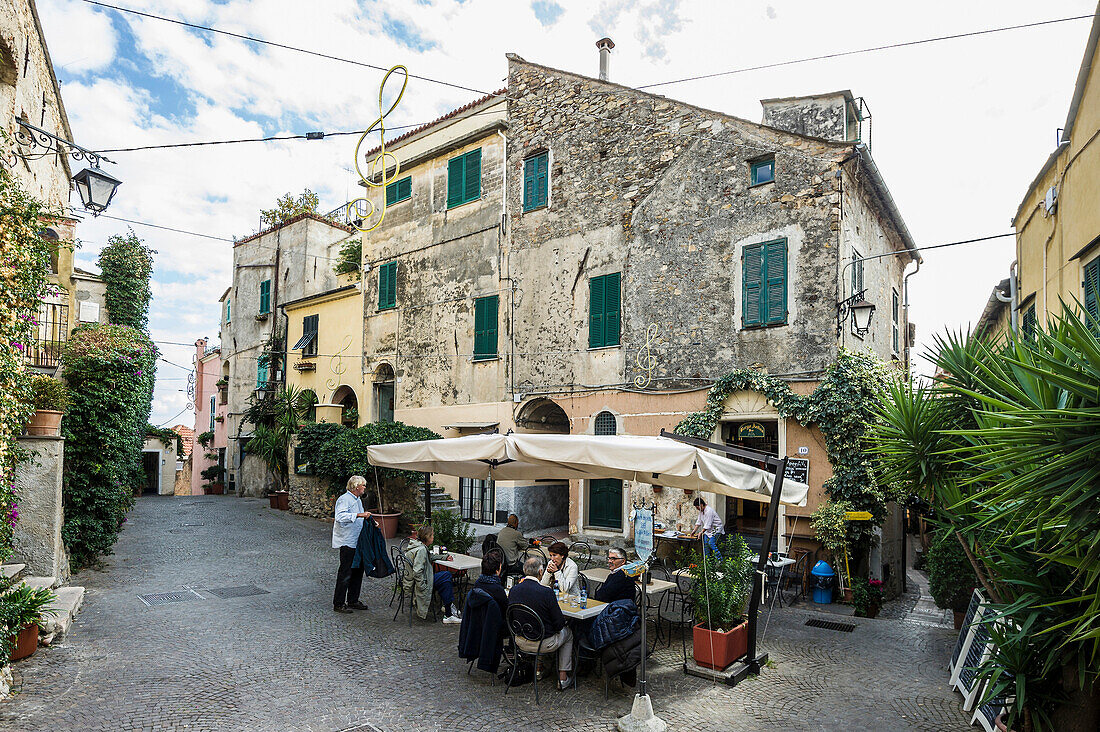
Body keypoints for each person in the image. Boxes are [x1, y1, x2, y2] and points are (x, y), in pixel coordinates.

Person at [508, 556, 574, 690]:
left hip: (520, 640)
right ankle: (562, 678)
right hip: (543, 644)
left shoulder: (514, 590)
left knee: (539, 627)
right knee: (568, 634)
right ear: (540, 572)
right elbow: (559, 623)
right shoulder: (546, 592)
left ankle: (538, 670)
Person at [404, 525, 462, 624]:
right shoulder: (422, 550)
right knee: (446, 576)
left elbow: (429, 557)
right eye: (432, 535)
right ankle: (448, 611)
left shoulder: (418, 545)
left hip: (413, 581)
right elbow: (417, 571)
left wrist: (444, 557)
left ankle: (448, 608)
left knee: (445, 580)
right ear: (427, 537)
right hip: (421, 583)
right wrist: (422, 586)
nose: (433, 537)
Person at [332, 475, 372, 613]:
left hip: (357, 541)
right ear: (356, 487)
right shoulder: (344, 499)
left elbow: (359, 517)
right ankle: (338, 603)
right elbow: (340, 517)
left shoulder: (357, 500)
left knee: (357, 571)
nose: (364, 487)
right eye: (363, 485)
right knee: (345, 572)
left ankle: (353, 599)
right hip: (347, 541)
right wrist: (359, 515)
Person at [473, 553, 509, 619]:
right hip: (495, 622)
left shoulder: (477, 583)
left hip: (478, 620)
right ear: (497, 571)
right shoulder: (497, 589)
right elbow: (506, 609)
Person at [691, 496, 725, 561]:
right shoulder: (701, 512)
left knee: (711, 543)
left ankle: (720, 560)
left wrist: (701, 532)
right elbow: (699, 522)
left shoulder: (709, 511)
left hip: (716, 529)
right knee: (705, 545)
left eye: (697, 507)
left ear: (701, 504)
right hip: (708, 531)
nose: (697, 508)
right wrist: (694, 531)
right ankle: (707, 561)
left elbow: (707, 524)